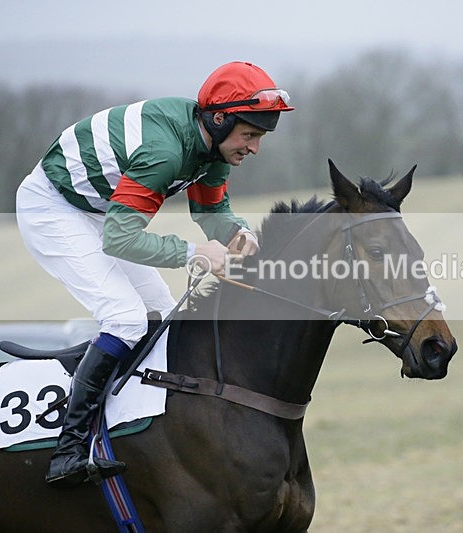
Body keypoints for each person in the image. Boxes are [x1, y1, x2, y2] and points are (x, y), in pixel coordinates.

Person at [15, 61, 294, 487]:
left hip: (98, 210)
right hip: (54, 208)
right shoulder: (165, 152)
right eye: (250, 135)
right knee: (124, 316)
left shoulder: (214, 145)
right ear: (220, 119)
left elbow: (212, 212)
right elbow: (120, 241)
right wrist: (193, 254)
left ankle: (135, 429)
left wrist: (236, 233)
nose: (254, 148)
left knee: (161, 314)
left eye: (260, 138)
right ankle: (67, 452)